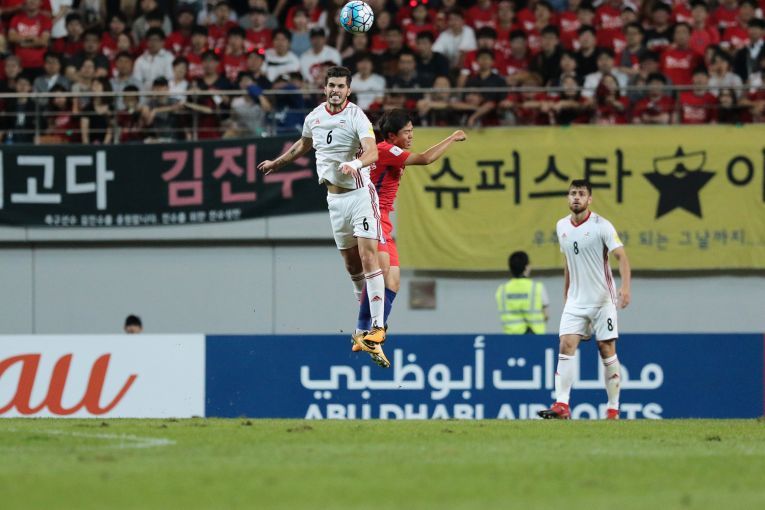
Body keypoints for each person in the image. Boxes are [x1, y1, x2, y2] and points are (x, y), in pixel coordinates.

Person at [257, 66, 387, 366]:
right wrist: (277, 163)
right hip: (334, 200)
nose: (335, 90)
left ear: (348, 90)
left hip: (360, 196)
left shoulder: (357, 116)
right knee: (352, 266)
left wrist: (356, 165)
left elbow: (372, 152)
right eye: (331, 85)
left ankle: (379, 328)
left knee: (368, 257)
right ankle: (363, 327)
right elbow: (304, 144)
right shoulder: (314, 117)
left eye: (341, 86)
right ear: (324, 88)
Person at [352, 109, 466, 352]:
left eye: (412, 130)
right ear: (392, 135)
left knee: (393, 282)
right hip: (372, 216)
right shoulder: (386, 149)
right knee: (380, 272)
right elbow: (425, 159)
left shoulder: (388, 151)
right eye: (407, 132)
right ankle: (363, 330)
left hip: (384, 220)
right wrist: (452, 137)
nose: (411, 136)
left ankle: (372, 334)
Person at [538, 179, 631, 420]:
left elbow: (621, 257)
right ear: (567, 198)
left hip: (602, 300)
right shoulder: (561, 226)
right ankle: (562, 405)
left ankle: (613, 408)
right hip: (575, 301)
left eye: (581, 193)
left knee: (606, 349)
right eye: (573, 193)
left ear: (590, 199)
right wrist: (566, 293)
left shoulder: (602, 226)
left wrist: (625, 287)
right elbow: (569, 262)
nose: (576, 197)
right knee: (565, 345)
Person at [496, 251, 550, 334]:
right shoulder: (538, 288)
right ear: (527, 267)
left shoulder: (501, 290)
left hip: (510, 338)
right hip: (536, 338)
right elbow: (546, 315)